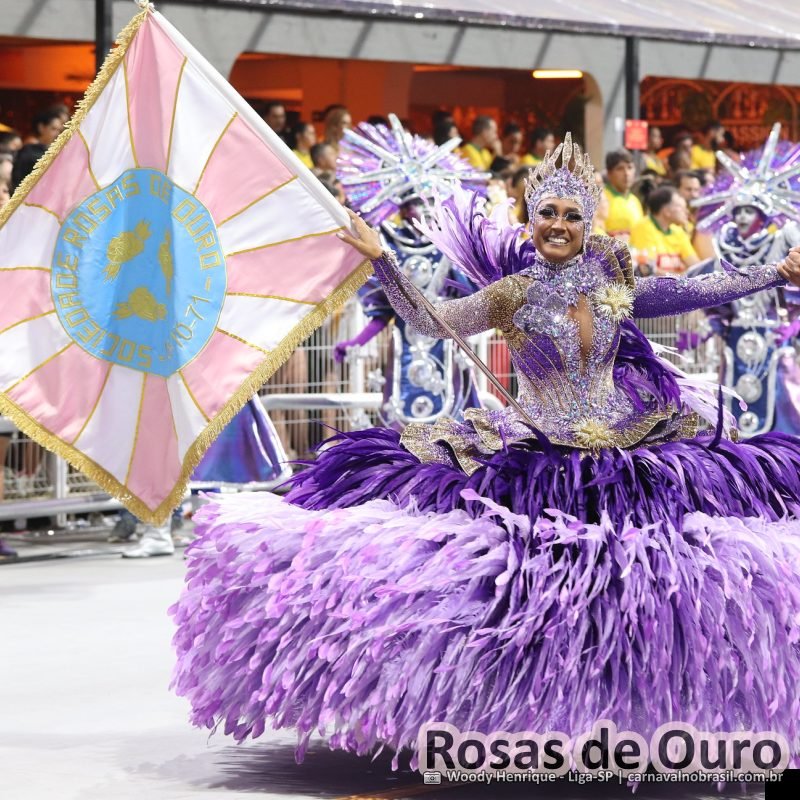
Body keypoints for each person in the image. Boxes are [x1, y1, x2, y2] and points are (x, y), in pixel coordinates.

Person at [172, 132, 800, 766]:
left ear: (588, 224)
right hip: (533, 451)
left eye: (571, 215)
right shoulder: (512, 293)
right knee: (527, 589)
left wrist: (772, 273)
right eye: (547, 213)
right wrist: (382, 260)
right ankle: (517, 710)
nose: (558, 225)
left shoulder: (614, 281)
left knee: (639, 585)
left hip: (624, 450)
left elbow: (691, 294)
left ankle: (632, 702)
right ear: (530, 220)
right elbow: (429, 319)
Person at [692, 123, 800, 437]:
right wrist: (716, 324)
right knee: (734, 411)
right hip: (735, 340)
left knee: (780, 411)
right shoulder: (723, 249)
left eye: (748, 212)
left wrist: (792, 325)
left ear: (764, 217)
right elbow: (699, 283)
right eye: (736, 212)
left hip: (774, 342)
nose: (739, 218)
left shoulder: (782, 242)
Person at [630, 185, 698, 275]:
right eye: (681, 207)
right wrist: (681, 279)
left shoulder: (678, 231)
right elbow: (648, 269)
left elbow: (696, 266)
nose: (686, 212)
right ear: (667, 211)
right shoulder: (643, 228)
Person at [603, 148, 643, 240]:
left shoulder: (635, 201)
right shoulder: (601, 199)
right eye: (620, 169)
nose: (626, 173)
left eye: (630, 167)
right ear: (609, 173)